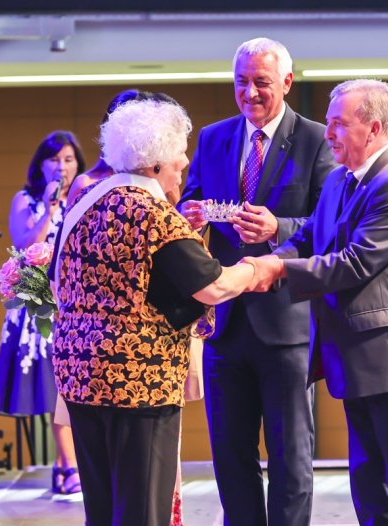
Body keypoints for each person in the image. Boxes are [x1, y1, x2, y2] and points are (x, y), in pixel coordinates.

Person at [53, 98, 261, 526]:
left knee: (104, 508)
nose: (182, 176)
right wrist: (258, 268)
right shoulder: (151, 214)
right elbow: (213, 285)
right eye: (178, 166)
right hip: (137, 379)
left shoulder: (85, 203)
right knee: (143, 509)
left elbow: (60, 282)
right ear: (152, 166)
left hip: (80, 375)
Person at [248, 79, 388, 524]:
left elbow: (354, 263)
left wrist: (277, 270)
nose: (329, 132)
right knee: (368, 494)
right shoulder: (339, 180)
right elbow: (305, 239)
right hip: (357, 361)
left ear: (373, 129)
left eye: (338, 124)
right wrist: (262, 265)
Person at [177, 37, 334, 526]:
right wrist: (191, 213)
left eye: (261, 83)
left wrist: (279, 229)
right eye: (241, 83)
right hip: (225, 324)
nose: (250, 93)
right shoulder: (213, 138)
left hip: (287, 324)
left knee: (291, 457)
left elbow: (329, 223)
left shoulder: (315, 139)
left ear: (286, 82)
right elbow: (192, 200)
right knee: (230, 456)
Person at [0, 131, 86, 494]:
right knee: (55, 389)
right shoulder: (26, 199)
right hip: (38, 306)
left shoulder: (82, 196)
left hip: (76, 303)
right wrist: (48, 209)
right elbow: (25, 244)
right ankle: (68, 465)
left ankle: (67, 465)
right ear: (41, 164)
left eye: (68, 159)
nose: (61, 166)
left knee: (74, 387)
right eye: (54, 159)